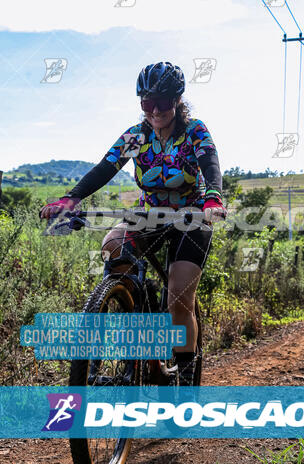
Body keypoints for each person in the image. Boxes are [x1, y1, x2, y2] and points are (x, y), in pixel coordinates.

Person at [40, 61, 226, 385]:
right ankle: (136, 305)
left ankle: (183, 378)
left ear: (178, 100)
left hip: (193, 214)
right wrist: (71, 198)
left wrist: (213, 197)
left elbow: (210, 162)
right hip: (149, 212)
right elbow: (105, 167)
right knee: (113, 247)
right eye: (147, 103)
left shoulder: (194, 130)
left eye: (163, 102)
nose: (155, 111)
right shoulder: (136, 135)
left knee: (179, 298)